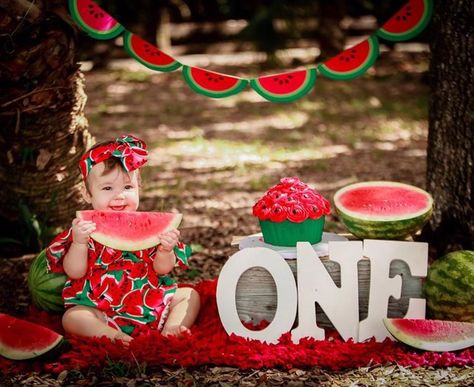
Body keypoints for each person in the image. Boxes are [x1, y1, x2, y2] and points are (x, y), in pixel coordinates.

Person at [45, 135, 200, 344]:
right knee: (73, 317)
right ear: (87, 193)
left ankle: (171, 330)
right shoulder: (84, 230)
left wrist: (166, 250)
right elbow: (74, 271)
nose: (119, 196)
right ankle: (114, 336)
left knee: (188, 295)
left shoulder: (150, 231)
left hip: (150, 301)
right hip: (101, 309)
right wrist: (79, 243)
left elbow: (162, 270)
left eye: (127, 187)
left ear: (139, 188)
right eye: (107, 188)